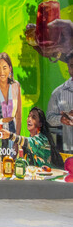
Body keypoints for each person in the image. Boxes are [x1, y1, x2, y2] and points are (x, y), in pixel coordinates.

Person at [29, 18, 73, 154]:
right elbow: (49, 118)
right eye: (72, 66)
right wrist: (61, 119)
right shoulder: (59, 92)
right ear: (68, 67)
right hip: (68, 148)